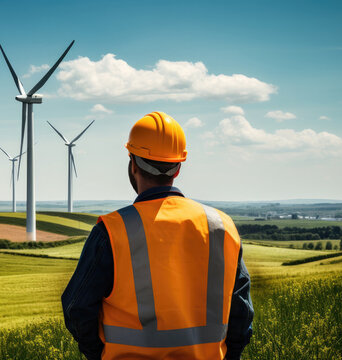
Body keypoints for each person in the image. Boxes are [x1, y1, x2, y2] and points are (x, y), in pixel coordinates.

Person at [62, 111, 253, 360]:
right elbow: (241, 312)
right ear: (177, 168)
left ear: (133, 164)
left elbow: (77, 307)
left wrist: (97, 355)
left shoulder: (113, 230)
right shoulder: (221, 226)